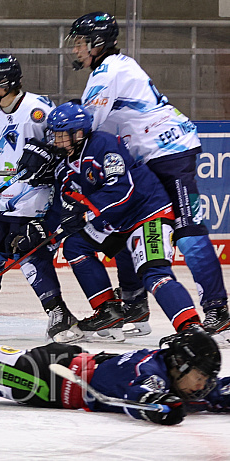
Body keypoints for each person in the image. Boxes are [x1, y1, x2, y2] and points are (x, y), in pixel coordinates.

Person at [66, 11, 229, 339]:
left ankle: (218, 309)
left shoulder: (108, 71)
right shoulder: (113, 68)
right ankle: (136, 303)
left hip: (170, 154)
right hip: (158, 153)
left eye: (80, 42)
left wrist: (49, 145)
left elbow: (85, 124)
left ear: (98, 43)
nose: (75, 49)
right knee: (132, 222)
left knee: (187, 228)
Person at [0, 282, 228, 425]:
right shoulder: (148, 373)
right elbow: (150, 403)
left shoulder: (177, 377)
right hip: (45, 377)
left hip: (56, 378)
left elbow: (215, 392)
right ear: (180, 365)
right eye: (201, 376)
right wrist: (165, 408)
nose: (203, 385)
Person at [19, 102, 206, 341]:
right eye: (54, 135)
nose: (56, 141)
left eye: (61, 135)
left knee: (154, 273)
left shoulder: (103, 144)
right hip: (117, 221)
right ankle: (108, 309)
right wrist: (43, 231)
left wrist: (85, 210)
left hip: (148, 214)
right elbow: (61, 207)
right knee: (76, 245)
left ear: (78, 133)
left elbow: (121, 189)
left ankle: (190, 329)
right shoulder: (64, 168)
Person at [0, 53, 81, 343]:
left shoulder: (38, 109)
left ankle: (59, 313)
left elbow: (64, 145)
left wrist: (47, 160)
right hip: (4, 200)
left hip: (38, 200)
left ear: (5, 83)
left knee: (29, 255)